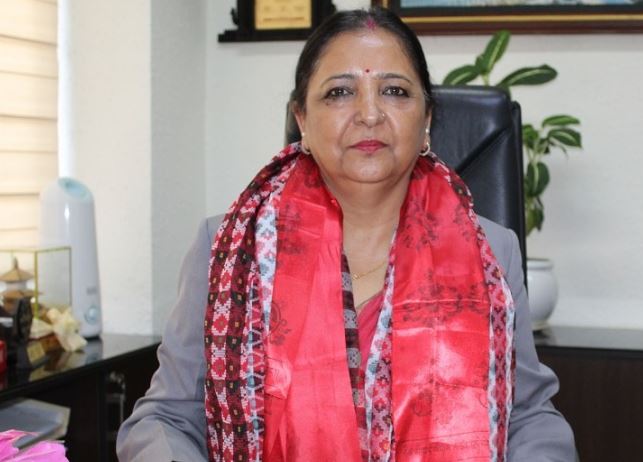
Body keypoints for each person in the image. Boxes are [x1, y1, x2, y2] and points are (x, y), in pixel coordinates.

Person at [117, 7, 575, 462]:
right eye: (340, 92)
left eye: (394, 91)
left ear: (427, 120)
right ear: (302, 120)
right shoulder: (230, 250)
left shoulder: (491, 252)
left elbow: (529, 417)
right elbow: (167, 418)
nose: (369, 114)